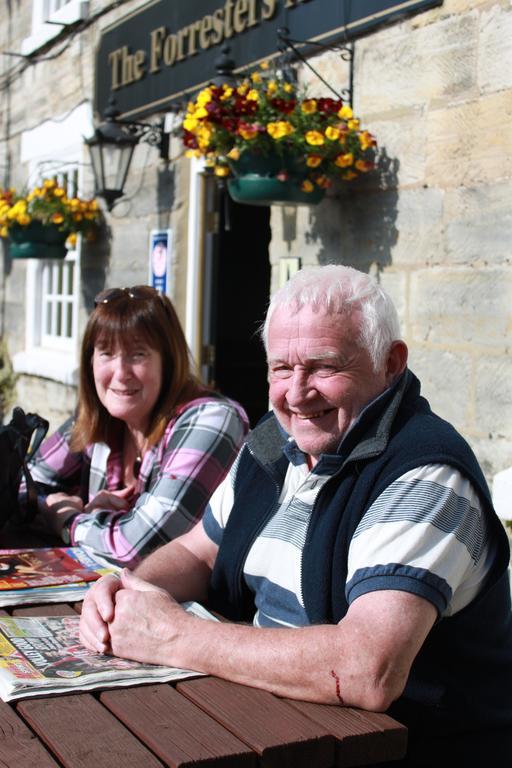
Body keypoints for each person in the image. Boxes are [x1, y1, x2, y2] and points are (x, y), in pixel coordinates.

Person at [79, 266, 512, 767]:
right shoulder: (274, 439)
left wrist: (172, 635)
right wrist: (126, 592)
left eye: (324, 367)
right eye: (281, 368)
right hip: (265, 727)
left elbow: (366, 671)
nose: (297, 393)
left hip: (396, 752)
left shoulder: (426, 476)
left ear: (391, 363)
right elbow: (199, 550)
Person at [24, 285, 248, 567]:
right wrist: (59, 506)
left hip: (201, 607)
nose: (120, 373)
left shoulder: (212, 419)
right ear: (90, 360)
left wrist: (67, 518)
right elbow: (21, 485)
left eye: (138, 354)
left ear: (167, 361)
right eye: (106, 353)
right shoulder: (97, 417)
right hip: (110, 597)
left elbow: (139, 547)